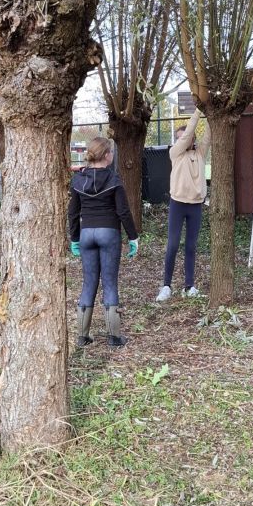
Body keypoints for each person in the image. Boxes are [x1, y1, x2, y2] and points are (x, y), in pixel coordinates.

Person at [68, 136, 139, 348]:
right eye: (111, 152)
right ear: (107, 155)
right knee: (109, 282)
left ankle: (82, 337)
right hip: (109, 233)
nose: (113, 155)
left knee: (88, 282)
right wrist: (133, 237)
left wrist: (74, 238)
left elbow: (73, 213)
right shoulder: (114, 179)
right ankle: (114, 338)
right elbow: (123, 211)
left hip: (86, 234)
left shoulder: (78, 180)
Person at [156, 111, 210, 302]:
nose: (183, 140)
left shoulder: (200, 153)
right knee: (172, 244)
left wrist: (209, 112)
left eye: (186, 137)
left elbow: (208, 135)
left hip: (195, 205)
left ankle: (189, 286)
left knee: (191, 246)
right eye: (179, 138)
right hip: (178, 204)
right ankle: (166, 286)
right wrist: (198, 112)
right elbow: (186, 136)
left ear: (193, 139)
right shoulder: (175, 153)